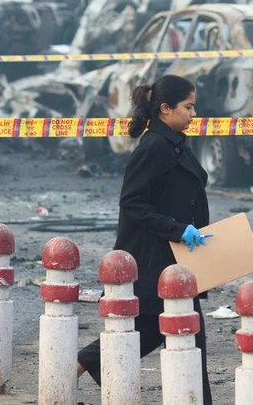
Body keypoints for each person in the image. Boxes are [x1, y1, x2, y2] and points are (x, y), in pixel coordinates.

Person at [77, 75, 213, 403]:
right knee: (176, 330)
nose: (194, 114)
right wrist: (177, 228)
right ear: (165, 109)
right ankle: (73, 368)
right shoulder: (154, 147)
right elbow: (132, 202)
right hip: (154, 257)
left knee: (170, 331)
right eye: (188, 107)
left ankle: (75, 366)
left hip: (176, 257)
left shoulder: (175, 142)